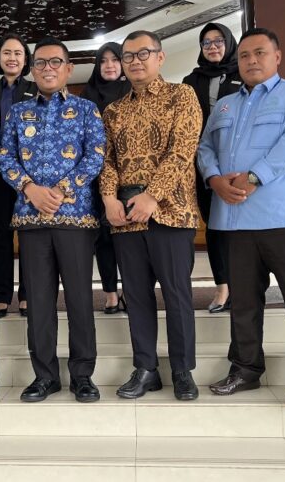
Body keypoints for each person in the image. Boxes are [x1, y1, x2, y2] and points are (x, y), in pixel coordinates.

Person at [198, 28, 285, 406]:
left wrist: (256, 176)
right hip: (234, 219)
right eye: (244, 55)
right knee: (242, 302)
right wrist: (213, 178)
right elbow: (205, 147)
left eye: (259, 53)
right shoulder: (225, 105)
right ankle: (244, 369)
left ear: (277, 57)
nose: (251, 60)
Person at [0, 36, 105, 402]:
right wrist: (29, 188)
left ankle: (82, 375)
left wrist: (61, 190)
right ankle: (45, 376)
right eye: (41, 63)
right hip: (31, 220)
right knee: (39, 304)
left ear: (68, 68)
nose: (48, 68)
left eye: (55, 62)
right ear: (32, 69)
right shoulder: (18, 113)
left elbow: (95, 155)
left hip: (74, 218)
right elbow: (5, 158)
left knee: (79, 300)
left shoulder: (86, 109)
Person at [99, 30, 202, 402]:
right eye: (128, 56)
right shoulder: (114, 110)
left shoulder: (182, 95)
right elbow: (107, 160)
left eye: (143, 53)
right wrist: (108, 198)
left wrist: (152, 196)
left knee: (177, 294)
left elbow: (182, 151)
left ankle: (182, 370)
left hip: (170, 213)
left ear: (160, 57)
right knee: (136, 296)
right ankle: (146, 369)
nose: (135, 61)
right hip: (126, 218)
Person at [182, 23, 242, 313]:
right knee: (215, 227)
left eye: (218, 41)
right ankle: (223, 288)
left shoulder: (243, 74)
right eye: (206, 43)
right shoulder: (190, 80)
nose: (213, 47)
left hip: (237, 163)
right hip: (203, 165)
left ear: (229, 43)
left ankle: (245, 287)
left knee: (241, 230)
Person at [0, 32, 37, 318]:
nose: (12, 58)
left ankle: (27, 294)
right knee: (0, 233)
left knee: (28, 233)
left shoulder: (35, 88)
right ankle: (1, 294)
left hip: (29, 172)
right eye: (7, 53)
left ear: (25, 59)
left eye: (18, 53)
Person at [81, 42, 130, 313]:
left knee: (128, 236)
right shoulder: (87, 96)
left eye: (115, 59)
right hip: (94, 177)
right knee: (103, 237)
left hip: (129, 176)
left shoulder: (133, 91)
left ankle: (131, 291)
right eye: (103, 61)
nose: (109, 65)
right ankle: (111, 293)